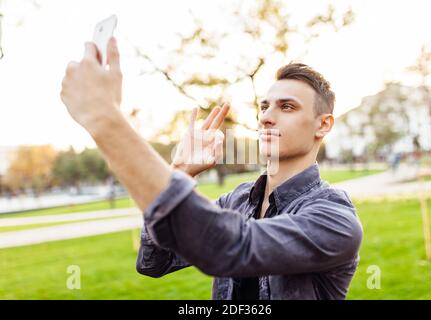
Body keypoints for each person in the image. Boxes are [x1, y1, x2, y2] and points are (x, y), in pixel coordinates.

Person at [60, 37, 363, 300]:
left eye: (287, 107)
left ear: (323, 124)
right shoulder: (237, 200)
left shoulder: (334, 218)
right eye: (264, 106)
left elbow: (228, 247)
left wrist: (106, 121)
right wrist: (180, 171)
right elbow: (154, 262)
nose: (266, 118)